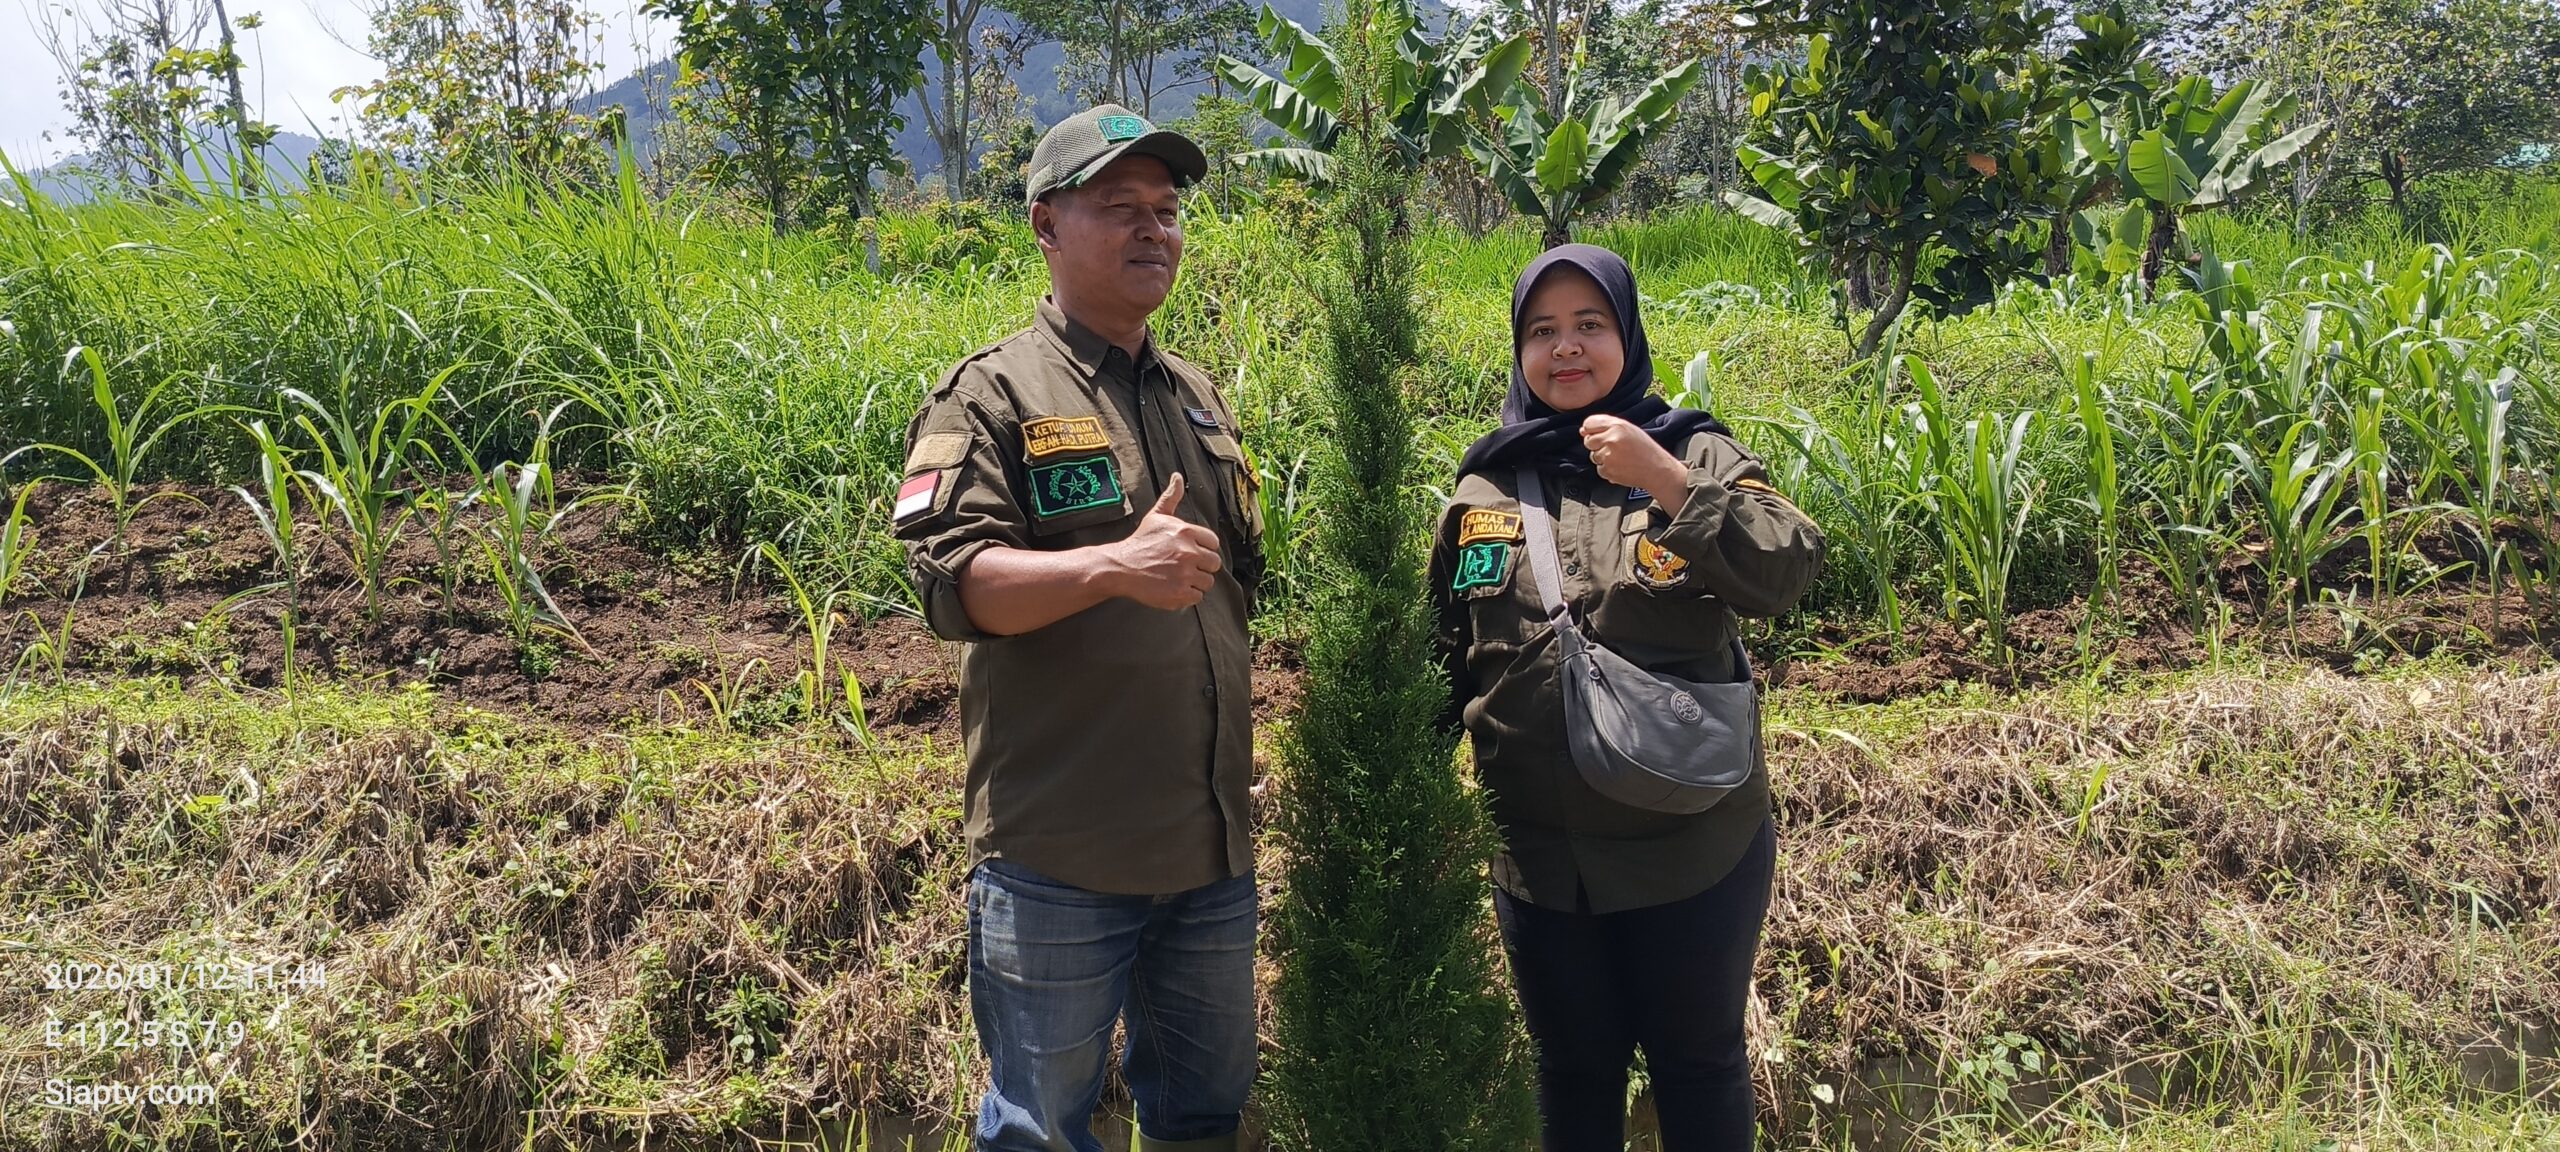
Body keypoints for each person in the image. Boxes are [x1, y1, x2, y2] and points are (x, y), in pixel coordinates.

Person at [893, 105, 1266, 1152]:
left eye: (1166, 209)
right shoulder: (994, 393)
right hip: (1060, 858)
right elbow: (955, 586)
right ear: (1046, 227)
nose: (1154, 231)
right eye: (1119, 209)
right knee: (1037, 1132)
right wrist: (1112, 566)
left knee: (1202, 1121)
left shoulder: (1196, 395)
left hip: (1207, 852)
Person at [1430, 244, 1825, 1151]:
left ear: (1627, 335)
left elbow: (1789, 569)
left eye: (1589, 326)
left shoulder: (1692, 448)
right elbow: (1446, 658)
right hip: (1540, 860)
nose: (1566, 349)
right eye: (1543, 332)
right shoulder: (1484, 485)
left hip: (1690, 847)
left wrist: (1670, 483)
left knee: (1698, 1066)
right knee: (1570, 1074)